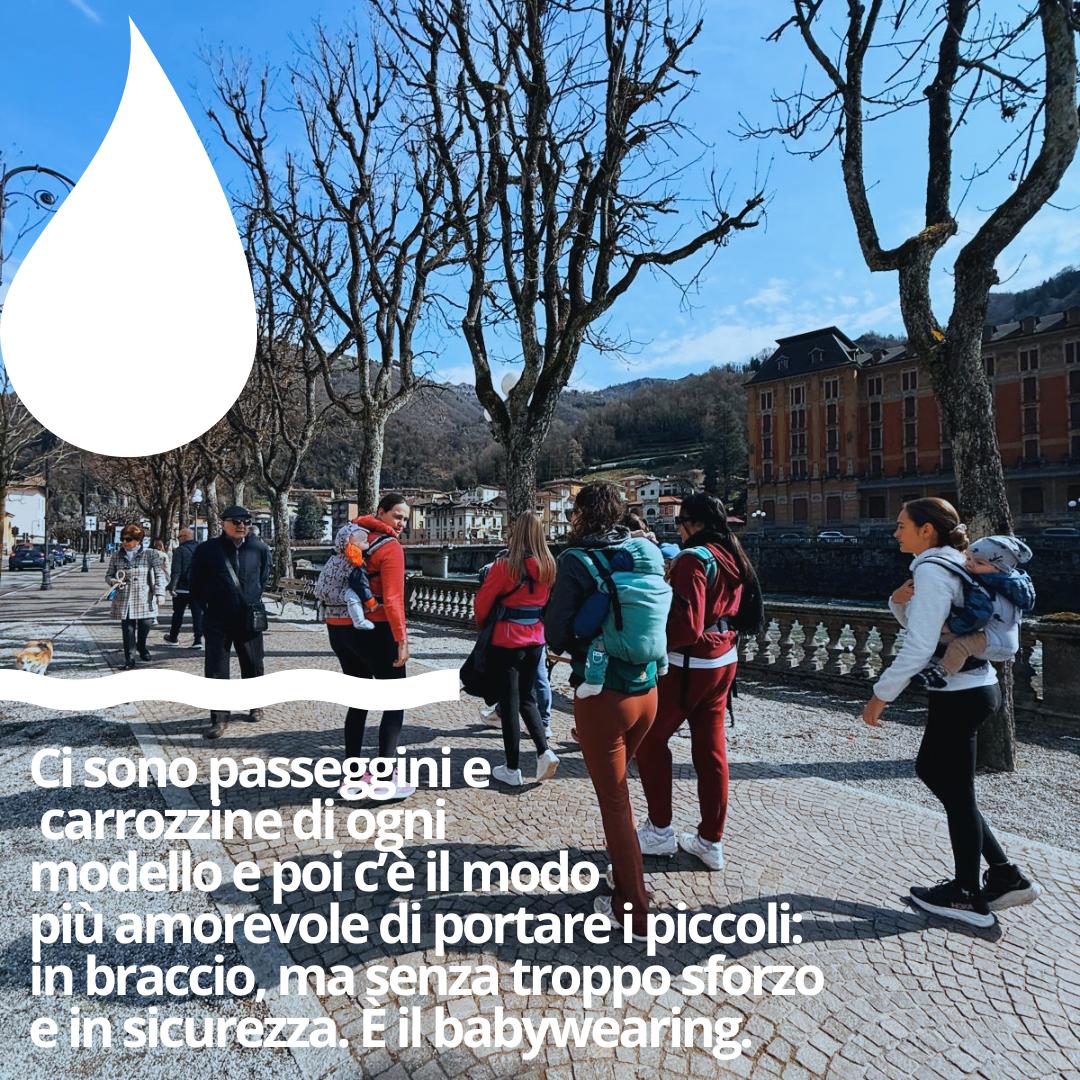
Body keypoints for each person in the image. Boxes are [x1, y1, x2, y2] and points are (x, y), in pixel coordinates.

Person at [863, 498, 1041, 928]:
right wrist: (896, 601)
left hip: (962, 694)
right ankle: (1004, 875)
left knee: (956, 792)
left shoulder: (932, 570)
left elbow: (921, 644)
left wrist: (880, 695)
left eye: (902, 524)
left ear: (927, 530)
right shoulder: (953, 562)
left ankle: (967, 895)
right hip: (974, 689)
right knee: (939, 776)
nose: (895, 532)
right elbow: (929, 626)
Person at [545, 480, 670, 937]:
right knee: (619, 792)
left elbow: (556, 632)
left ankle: (633, 910)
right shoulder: (638, 553)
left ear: (580, 514)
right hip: (648, 691)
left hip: (604, 698)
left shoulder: (576, 559)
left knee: (615, 802)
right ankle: (623, 874)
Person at [634, 493, 755, 872]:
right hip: (725, 660)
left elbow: (687, 627)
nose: (679, 529)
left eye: (681, 521)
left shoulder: (692, 560)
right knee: (711, 751)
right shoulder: (733, 555)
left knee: (651, 740)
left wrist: (649, 646)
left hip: (689, 665)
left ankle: (659, 829)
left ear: (695, 524)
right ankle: (710, 840)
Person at [315, 493, 411, 799]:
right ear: (381, 512)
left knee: (358, 701)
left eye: (405, 519)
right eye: (397, 516)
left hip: (338, 628)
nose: (401, 523)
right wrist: (401, 640)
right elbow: (393, 599)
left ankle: (352, 775)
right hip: (374, 630)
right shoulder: (390, 547)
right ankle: (385, 777)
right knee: (394, 702)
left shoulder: (350, 537)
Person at [473, 510, 558, 786]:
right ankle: (544, 751)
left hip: (507, 639)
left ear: (516, 532)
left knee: (509, 703)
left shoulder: (505, 566)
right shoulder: (549, 566)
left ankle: (512, 769)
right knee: (527, 698)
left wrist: (484, 625)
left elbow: (483, 603)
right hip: (536, 639)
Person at [189, 505, 272, 739]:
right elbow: (195, 582)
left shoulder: (258, 548)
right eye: (236, 521)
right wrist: (208, 605)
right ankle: (219, 718)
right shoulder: (207, 550)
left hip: (248, 617)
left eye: (246, 521)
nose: (242, 525)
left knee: (253, 663)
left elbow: (264, 577)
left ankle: (255, 704)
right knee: (216, 669)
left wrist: (251, 599)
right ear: (223, 523)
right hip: (217, 617)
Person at [911, 534, 1035, 688]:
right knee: (947, 639)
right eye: (968, 558)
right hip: (1003, 637)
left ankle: (941, 673)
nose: (970, 564)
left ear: (998, 568)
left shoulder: (983, 588)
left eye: (979, 563)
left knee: (960, 646)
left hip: (997, 641)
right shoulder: (1008, 584)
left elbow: (976, 617)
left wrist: (950, 626)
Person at [105, 524, 167, 669]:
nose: (124, 542)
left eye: (128, 539)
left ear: (138, 540)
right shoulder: (116, 555)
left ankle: (141, 645)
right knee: (128, 629)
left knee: (146, 624)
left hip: (144, 597)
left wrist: (160, 593)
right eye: (122, 539)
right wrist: (113, 581)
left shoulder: (150, 554)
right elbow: (108, 575)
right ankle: (130, 659)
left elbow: (159, 574)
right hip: (124, 597)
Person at [163, 527, 203, 649]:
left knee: (178, 614)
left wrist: (173, 586)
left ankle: (173, 638)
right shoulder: (201, 549)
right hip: (198, 588)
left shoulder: (180, 550)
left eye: (179, 537)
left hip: (182, 588)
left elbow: (176, 570)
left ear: (184, 537)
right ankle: (198, 640)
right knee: (197, 615)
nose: (178, 539)